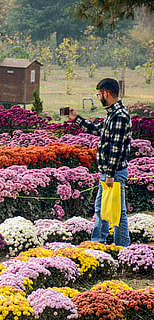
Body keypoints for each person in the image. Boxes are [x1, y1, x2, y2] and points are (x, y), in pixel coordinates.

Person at [66, 78, 131, 247]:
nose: (98, 97)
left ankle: (122, 247)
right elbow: (97, 130)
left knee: (117, 212)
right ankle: (98, 243)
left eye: (99, 94)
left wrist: (109, 175)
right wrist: (76, 118)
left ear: (106, 94)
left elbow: (116, 149)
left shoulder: (120, 116)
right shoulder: (113, 114)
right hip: (109, 172)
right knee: (101, 209)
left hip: (114, 172)